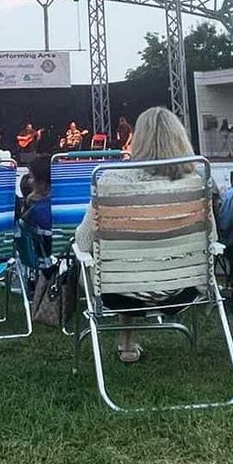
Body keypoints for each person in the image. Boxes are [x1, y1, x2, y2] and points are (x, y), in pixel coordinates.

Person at [74, 106, 200, 364]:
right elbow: (208, 242)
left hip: (118, 290)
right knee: (137, 257)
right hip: (181, 288)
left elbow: (84, 242)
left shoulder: (111, 180)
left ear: (137, 139)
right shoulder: (198, 181)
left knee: (120, 258)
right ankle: (128, 340)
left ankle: (127, 342)